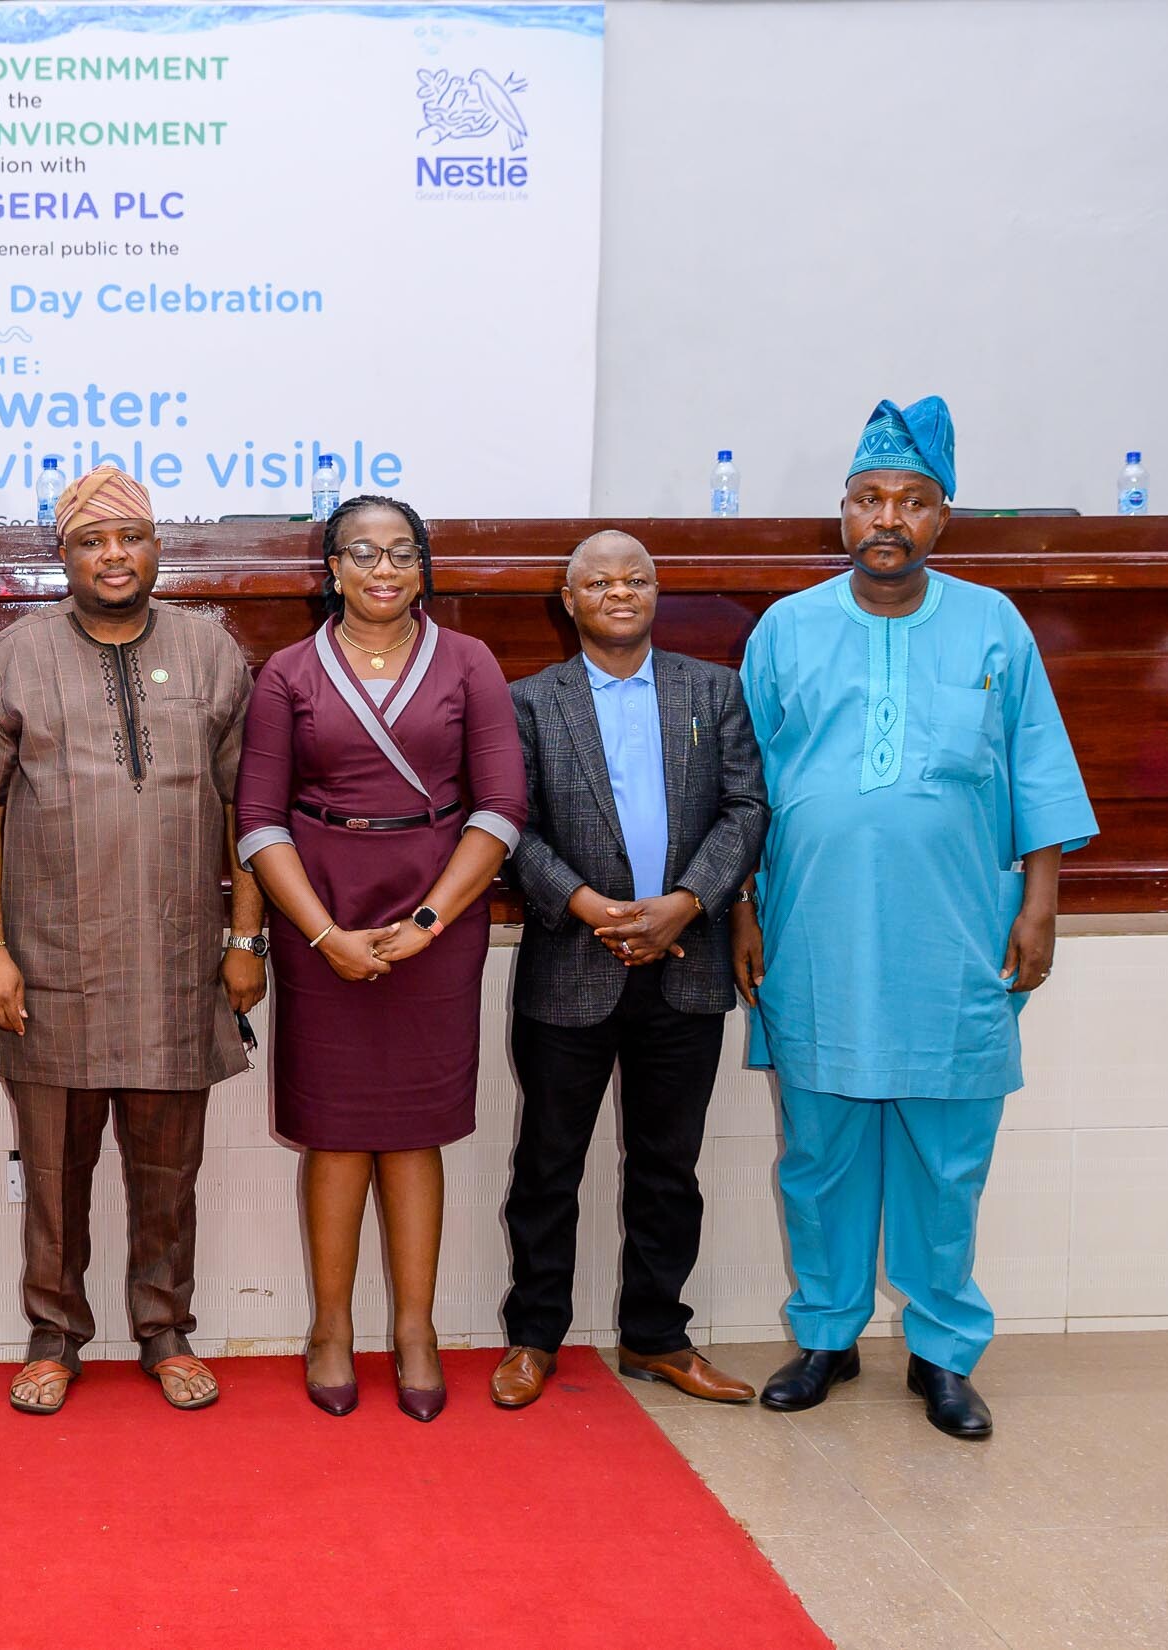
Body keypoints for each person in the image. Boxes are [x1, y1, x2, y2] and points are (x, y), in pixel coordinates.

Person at [734, 397, 1097, 1440]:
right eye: (866, 499)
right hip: (812, 933)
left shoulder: (993, 625)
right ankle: (826, 1335)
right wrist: (744, 912)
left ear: (943, 518)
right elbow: (746, 788)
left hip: (955, 934)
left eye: (910, 501)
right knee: (819, 1150)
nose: (885, 517)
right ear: (839, 514)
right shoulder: (785, 628)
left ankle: (941, 1352)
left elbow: (1036, 774)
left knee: (946, 1158)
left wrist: (1039, 907)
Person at [0, 464, 265, 1417]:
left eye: (129, 537)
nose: (113, 556)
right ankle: (54, 1334)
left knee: (170, 1169)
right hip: (48, 962)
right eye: (92, 541)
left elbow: (251, 808)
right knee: (52, 1168)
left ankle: (165, 1329)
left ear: (158, 547)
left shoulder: (213, 655)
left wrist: (245, 936)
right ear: (65, 555)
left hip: (175, 961)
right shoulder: (12, 657)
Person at [232, 495, 525, 1421]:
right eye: (363, 553)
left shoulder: (470, 662)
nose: (384, 569)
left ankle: (413, 1329)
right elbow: (257, 820)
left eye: (402, 552)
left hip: (440, 909)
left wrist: (432, 918)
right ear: (333, 569)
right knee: (335, 1128)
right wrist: (320, 932)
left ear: (424, 565)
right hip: (320, 910)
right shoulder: (287, 672)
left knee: (414, 1127)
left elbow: (503, 805)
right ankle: (328, 1328)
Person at [493, 530, 768, 1410]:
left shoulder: (714, 690)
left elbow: (746, 808)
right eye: (598, 582)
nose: (620, 592)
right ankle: (535, 1337)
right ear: (566, 601)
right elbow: (508, 825)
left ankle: (657, 1337)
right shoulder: (527, 702)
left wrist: (686, 902)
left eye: (636, 579)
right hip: (571, 961)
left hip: (686, 962)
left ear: (657, 593)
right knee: (547, 1165)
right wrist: (585, 904)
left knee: (668, 1167)